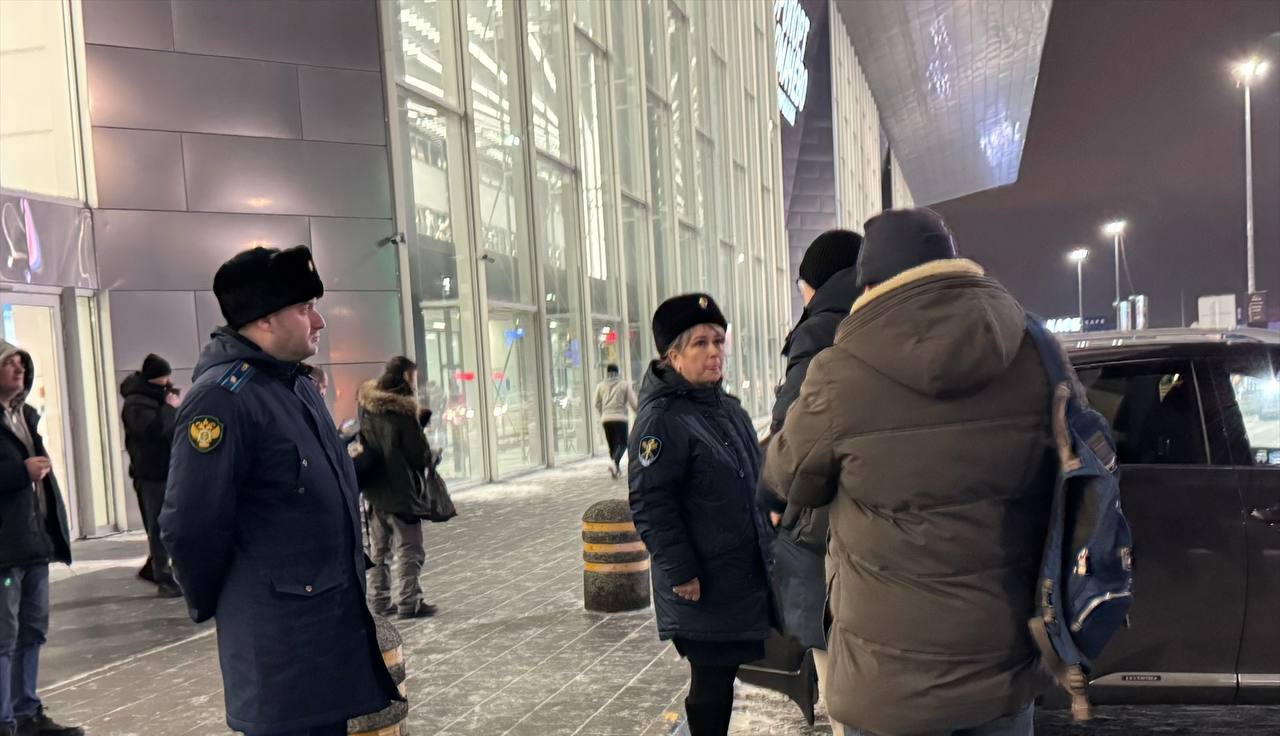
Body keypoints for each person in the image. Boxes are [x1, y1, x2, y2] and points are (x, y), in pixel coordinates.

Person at [764, 208, 1059, 736]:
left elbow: (788, 474)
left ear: (869, 286)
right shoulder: (1034, 351)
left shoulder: (841, 371)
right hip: (1005, 662)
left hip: (887, 679)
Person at [160, 245, 400, 736]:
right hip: (280, 648)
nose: (319, 321)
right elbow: (190, 525)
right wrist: (237, 604)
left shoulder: (295, 386)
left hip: (325, 634)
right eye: (305, 307)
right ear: (265, 319)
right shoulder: (222, 400)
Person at [628, 294, 772, 736]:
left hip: (735, 573)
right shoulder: (662, 419)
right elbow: (651, 502)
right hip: (701, 581)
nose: (714, 353)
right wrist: (681, 571)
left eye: (719, 342)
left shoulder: (726, 408)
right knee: (710, 683)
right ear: (672, 356)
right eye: (700, 344)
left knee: (721, 677)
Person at [756, 229, 862, 694]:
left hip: (824, 523)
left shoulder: (820, 328)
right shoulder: (893, 316)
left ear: (815, 282)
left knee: (837, 669)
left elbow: (793, 433)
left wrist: (771, 498)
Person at [0, 340, 81, 736]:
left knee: (32, 631)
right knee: (4, 637)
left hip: (34, 544)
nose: (19, 369)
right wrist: (21, 472)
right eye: (9, 363)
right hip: (5, 549)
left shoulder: (25, 416)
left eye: (22, 363)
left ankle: (26, 713)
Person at [357, 356, 436, 619]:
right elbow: (418, 455)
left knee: (380, 552)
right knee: (410, 549)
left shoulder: (367, 408)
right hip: (401, 493)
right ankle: (409, 602)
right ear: (405, 376)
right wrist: (429, 451)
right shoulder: (404, 411)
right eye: (413, 376)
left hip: (375, 493)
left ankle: (378, 601)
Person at [119, 353, 183, 598]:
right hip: (151, 474)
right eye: (164, 376)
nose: (168, 381)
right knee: (159, 526)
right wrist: (170, 408)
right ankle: (163, 577)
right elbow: (154, 432)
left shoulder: (160, 396)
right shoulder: (136, 404)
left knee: (168, 525)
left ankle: (155, 569)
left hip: (168, 469)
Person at [594, 363, 638, 479]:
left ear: (607, 373)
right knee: (623, 444)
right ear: (617, 372)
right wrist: (639, 413)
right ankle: (614, 463)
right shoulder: (624, 385)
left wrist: (603, 413)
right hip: (620, 419)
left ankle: (615, 468)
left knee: (612, 446)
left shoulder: (600, 386)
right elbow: (633, 402)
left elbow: (596, 403)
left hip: (606, 419)